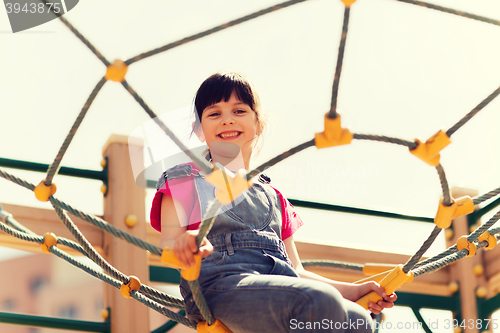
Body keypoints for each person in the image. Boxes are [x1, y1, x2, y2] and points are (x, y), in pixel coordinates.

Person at [150, 72, 396, 332]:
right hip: (220, 286)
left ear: (258, 124)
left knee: (358, 320)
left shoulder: (272, 195)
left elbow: (296, 270)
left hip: (281, 286)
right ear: (199, 131)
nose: (227, 120)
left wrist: (354, 290)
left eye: (239, 110)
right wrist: (184, 245)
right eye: (214, 114)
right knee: (316, 301)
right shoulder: (184, 179)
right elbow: (168, 242)